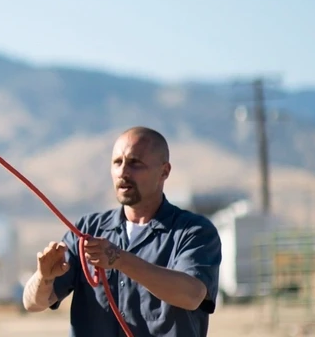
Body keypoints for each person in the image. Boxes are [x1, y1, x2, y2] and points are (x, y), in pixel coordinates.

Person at [21, 126, 222, 337]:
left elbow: (191, 295)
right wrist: (43, 277)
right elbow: (32, 303)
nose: (123, 172)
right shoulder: (87, 230)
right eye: (117, 162)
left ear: (164, 171)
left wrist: (119, 259)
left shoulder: (194, 232)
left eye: (135, 163)